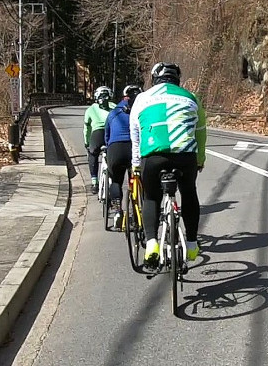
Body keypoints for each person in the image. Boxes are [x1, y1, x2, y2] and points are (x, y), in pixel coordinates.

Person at [130, 62, 206, 266]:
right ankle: (191, 245)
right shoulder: (190, 97)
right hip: (185, 156)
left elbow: (135, 134)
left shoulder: (142, 98)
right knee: (189, 192)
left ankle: (152, 242)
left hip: (153, 157)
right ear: (177, 79)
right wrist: (199, 160)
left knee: (151, 197)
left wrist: (136, 164)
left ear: (154, 79)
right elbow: (200, 133)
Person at [103, 84, 142, 226]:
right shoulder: (140, 111)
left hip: (116, 148)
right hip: (133, 146)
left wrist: (108, 147)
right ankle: (139, 205)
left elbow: (106, 135)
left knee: (116, 180)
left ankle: (118, 210)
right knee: (137, 177)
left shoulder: (113, 113)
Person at [83, 85, 115, 191]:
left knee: (93, 154)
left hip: (97, 134)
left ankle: (94, 182)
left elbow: (86, 129)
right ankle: (114, 182)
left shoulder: (90, 109)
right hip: (111, 133)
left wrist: (87, 143)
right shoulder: (114, 106)